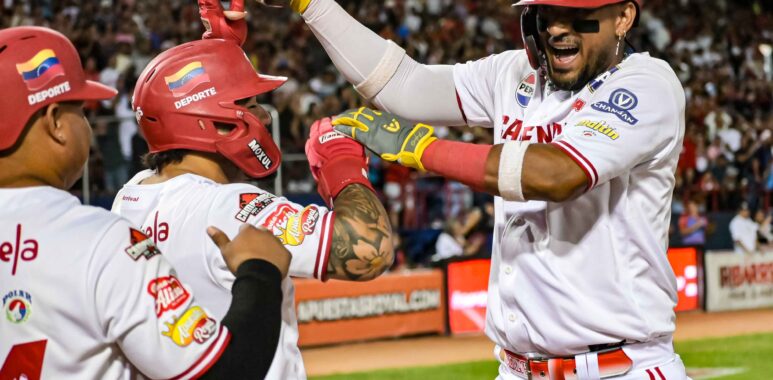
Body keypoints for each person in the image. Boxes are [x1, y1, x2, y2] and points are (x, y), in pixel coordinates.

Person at [271, 0, 689, 378]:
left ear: (623, 18)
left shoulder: (646, 84)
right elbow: (402, 84)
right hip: (516, 368)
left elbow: (558, 175)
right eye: (547, 13)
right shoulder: (515, 73)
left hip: (619, 367)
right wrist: (311, 4)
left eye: (579, 15)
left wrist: (420, 148)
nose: (558, 28)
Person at [111, 6, 394, 378]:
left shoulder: (129, 197)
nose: (262, 117)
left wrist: (221, 54)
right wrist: (342, 166)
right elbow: (370, 248)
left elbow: (183, 101)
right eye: (250, 104)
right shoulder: (228, 207)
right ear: (217, 122)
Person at [0, 26, 291, 379]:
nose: (88, 125)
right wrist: (260, 271)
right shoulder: (101, 241)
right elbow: (223, 373)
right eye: (80, 110)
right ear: (56, 123)